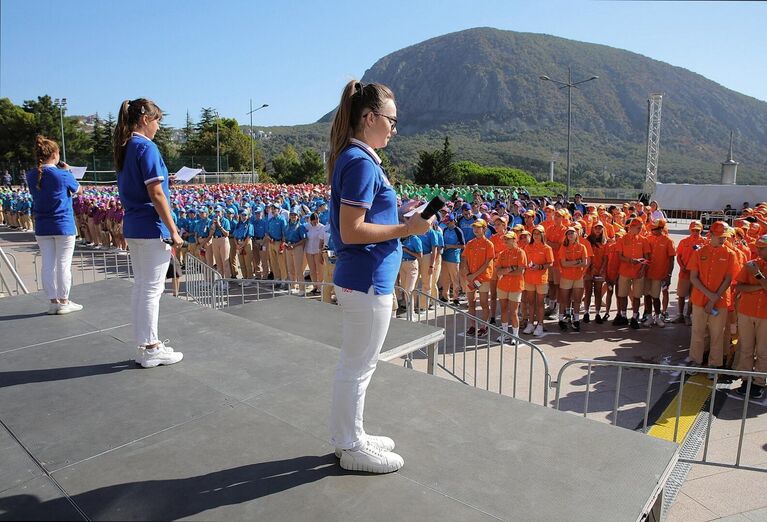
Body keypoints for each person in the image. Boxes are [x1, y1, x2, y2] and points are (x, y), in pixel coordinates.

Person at [327, 80, 430, 473]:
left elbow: (363, 221)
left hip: (366, 277)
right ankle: (350, 445)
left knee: (356, 364)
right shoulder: (359, 162)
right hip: (368, 278)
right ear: (369, 118)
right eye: (391, 120)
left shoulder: (357, 159)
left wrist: (398, 214)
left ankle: (349, 435)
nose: (394, 128)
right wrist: (408, 229)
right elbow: (352, 230)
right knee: (358, 366)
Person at [114, 98, 183, 368]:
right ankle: (151, 347)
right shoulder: (146, 147)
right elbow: (155, 193)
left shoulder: (126, 146)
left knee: (142, 287)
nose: (157, 127)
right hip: (151, 227)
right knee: (152, 290)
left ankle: (145, 344)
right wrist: (174, 231)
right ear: (145, 119)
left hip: (134, 225)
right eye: (157, 121)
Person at [25, 135, 83, 315]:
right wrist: (68, 172)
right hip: (63, 225)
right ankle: (64, 301)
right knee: (63, 264)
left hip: (42, 226)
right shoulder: (63, 174)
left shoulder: (30, 175)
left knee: (48, 264)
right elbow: (79, 190)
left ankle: (53, 302)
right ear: (55, 154)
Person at [687, 221, 738, 372]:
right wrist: (710, 296)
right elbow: (693, 277)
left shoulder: (730, 254)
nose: (723, 240)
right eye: (720, 236)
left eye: (725, 237)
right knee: (698, 332)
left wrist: (715, 298)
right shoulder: (699, 252)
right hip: (699, 300)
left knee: (717, 335)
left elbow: (728, 279)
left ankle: (714, 365)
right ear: (711, 235)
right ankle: (696, 360)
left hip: (720, 301)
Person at [733, 234, 767, 398]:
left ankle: (759, 381)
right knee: (746, 347)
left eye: (761, 248)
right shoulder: (751, 264)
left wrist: (758, 276)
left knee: (763, 350)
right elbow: (740, 286)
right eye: (758, 247)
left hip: (765, 316)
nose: (757, 250)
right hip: (747, 312)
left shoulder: (754, 268)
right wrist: (760, 287)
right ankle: (745, 378)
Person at [614, 218, 652, 329]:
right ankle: (624, 316)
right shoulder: (622, 239)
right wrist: (630, 261)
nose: (640, 230)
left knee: (637, 296)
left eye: (641, 228)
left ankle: (635, 317)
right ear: (631, 228)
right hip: (624, 271)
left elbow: (647, 257)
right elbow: (619, 256)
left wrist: (642, 269)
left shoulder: (644, 240)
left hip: (638, 272)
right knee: (622, 295)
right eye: (638, 228)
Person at [460, 219, 495, 337]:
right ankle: (472, 326)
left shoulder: (489, 244)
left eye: (478, 227)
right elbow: (464, 258)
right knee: (471, 302)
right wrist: (468, 273)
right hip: (471, 278)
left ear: (484, 229)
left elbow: (487, 263)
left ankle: (484, 326)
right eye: (474, 227)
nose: (475, 230)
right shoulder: (470, 243)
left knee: (484, 302)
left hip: (482, 279)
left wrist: (473, 275)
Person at [643, 219, 675, 327]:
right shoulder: (648, 239)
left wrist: (669, 275)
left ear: (661, 229)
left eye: (655, 229)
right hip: (647, 273)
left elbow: (671, 259)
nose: (652, 230)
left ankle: (657, 317)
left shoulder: (668, 241)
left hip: (659, 274)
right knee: (647, 295)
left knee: (655, 296)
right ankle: (649, 317)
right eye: (652, 229)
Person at [495, 231, 526, 341]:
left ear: (514, 240)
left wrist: (505, 271)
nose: (506, 241)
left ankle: (515, 335)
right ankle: (505, 333)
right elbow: (498, 271)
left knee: (513, 312)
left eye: (508, 239)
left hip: (515, 286)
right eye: (505, 239)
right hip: (503, 286)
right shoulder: (502, 254)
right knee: (503, 309)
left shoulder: (520, 253)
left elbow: (520, 271)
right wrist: (510, 269)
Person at [673, 221, 706, 325]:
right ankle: (680, 315)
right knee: (681, 295)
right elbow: (678, 256)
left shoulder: (704, 242)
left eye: (697, 230)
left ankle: (688, 315)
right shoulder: (684, 241)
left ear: (701, 230)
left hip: (697, 275)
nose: (695, 232)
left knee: (692, 296)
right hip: (684, 273)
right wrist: (682, 267)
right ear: (690, 230)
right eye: (693, 230)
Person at [557, 228, 588, 331]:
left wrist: (572, 262)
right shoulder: (563, 247)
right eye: (568, 233)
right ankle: (561, 319)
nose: (570, 235)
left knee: (577, 300)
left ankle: (576, 320)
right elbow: (563, 263)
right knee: (564, 299)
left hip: (578, 277)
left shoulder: (582, 247)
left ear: (576, 234)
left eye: (572, 233)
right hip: (566, 277)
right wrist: (577, 262)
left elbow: (585, 262)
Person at [439, 213, 464, 305]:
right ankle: (445, 297)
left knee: (455, 279)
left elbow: (463, 245)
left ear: (453, 221)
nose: (446, 224)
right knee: (445, 279)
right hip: (444, 257)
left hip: (454, 258)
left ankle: (456, 298)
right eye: (446, 222)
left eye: (448, 222)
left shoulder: (458, 231)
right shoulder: (445, 230)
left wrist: (450, 246)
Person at [304, 212, 326, 295]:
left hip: (317, 251)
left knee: (319, 269)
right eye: (313, 221)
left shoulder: (322, 227)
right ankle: (315, 286)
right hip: (309, 250)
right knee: (312, 270)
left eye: (317, 220)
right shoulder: (307, 226)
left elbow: (323, 240)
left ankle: (320, 287)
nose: (315, 222)